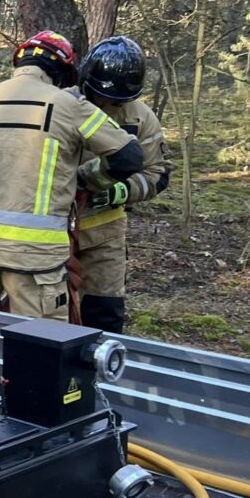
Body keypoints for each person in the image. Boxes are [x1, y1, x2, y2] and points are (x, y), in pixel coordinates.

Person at [0, 31, 145, 320]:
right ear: (63, 71)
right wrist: (88, 179)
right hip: (34, 258)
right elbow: (129, 157)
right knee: (39, 348)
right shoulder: (69, 105)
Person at [71, 36, 172, 333]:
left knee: (103, 314)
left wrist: (123, 191)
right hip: (52, 229)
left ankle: (100, 376)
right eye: (100, 97)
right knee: (48, 313)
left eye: (116, 101)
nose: (106, 105)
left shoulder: (140, 117)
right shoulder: (62, 103)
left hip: (105, 235)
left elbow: (159, 172)